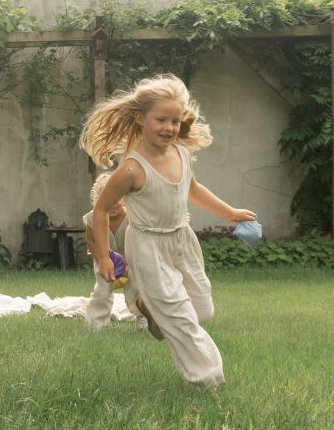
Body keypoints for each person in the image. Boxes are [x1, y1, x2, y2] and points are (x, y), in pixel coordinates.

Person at [79, 74, 255, 388]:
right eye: (161, 120)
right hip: (148, 246)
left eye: (175, 121)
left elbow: (194, 190)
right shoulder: (131, 169)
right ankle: (207, 379)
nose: (169, 127)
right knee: (181, 319)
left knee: (202, 310)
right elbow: (102, 210)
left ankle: (149, 309)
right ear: (140, 119)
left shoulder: (181, 154)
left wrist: (230, 213)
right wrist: (104, 256)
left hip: (182, 240)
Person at [82, 172, 156, 335]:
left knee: (136, 288)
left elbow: (141, 240)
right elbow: (91, 242)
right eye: (106, 198)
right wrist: (101, 260)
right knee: (102, 292)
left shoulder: (133, 217)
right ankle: (96, 322)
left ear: (125, 197)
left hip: (132, 260)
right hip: (104, 261)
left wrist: (129, 262)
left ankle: (142, 317)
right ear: (98, 200)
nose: (113, 202)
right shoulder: (92, 219)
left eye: (117, 197)